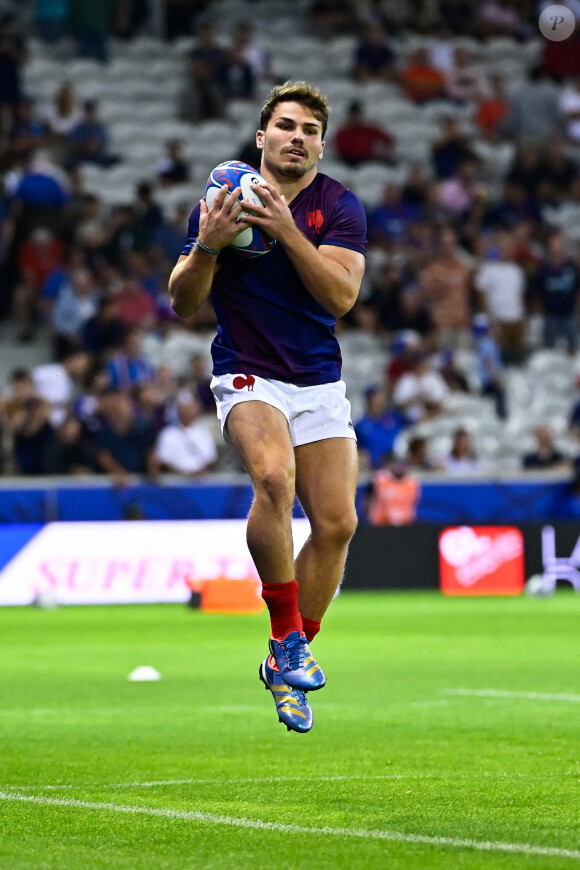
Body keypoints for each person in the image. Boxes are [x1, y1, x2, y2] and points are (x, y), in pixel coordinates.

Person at [168, 80, 367, 734]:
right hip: (249, 372)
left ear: (320, 143)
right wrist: (208, 244)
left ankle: (287, 658)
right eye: (286, 126)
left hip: (317, 380)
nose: (297, 138)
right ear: (262, 136)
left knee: (337, 524)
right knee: (273, 478)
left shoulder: (339, 207)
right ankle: (286, 636)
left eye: (309, 130)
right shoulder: (225, 197)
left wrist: (285, 230)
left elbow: (340, 297)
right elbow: (182, 300)